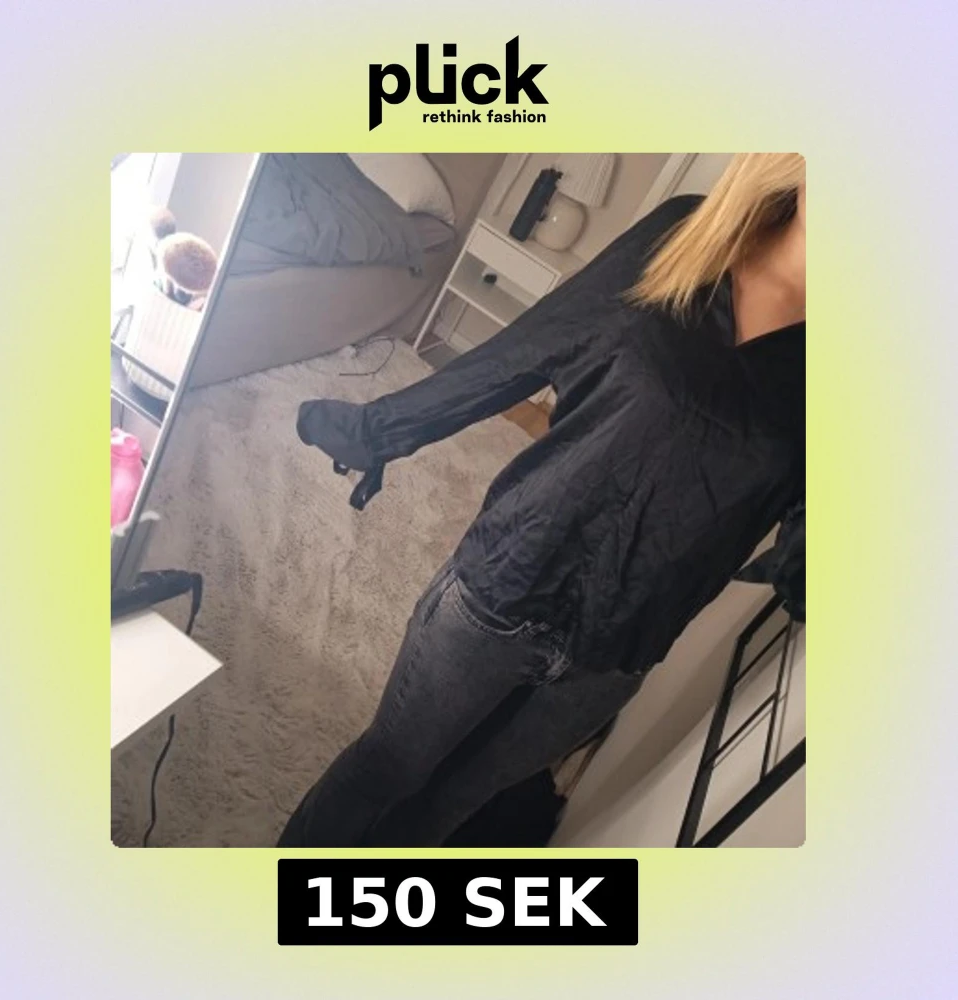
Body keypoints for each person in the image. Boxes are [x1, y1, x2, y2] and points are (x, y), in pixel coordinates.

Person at [278, 153, 806, 847]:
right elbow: (532, 346)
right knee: (387, 769)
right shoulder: (685, 236)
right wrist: (380, 429)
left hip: (614, 654)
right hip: (507, 581)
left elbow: (810, 544)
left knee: (454, 806)